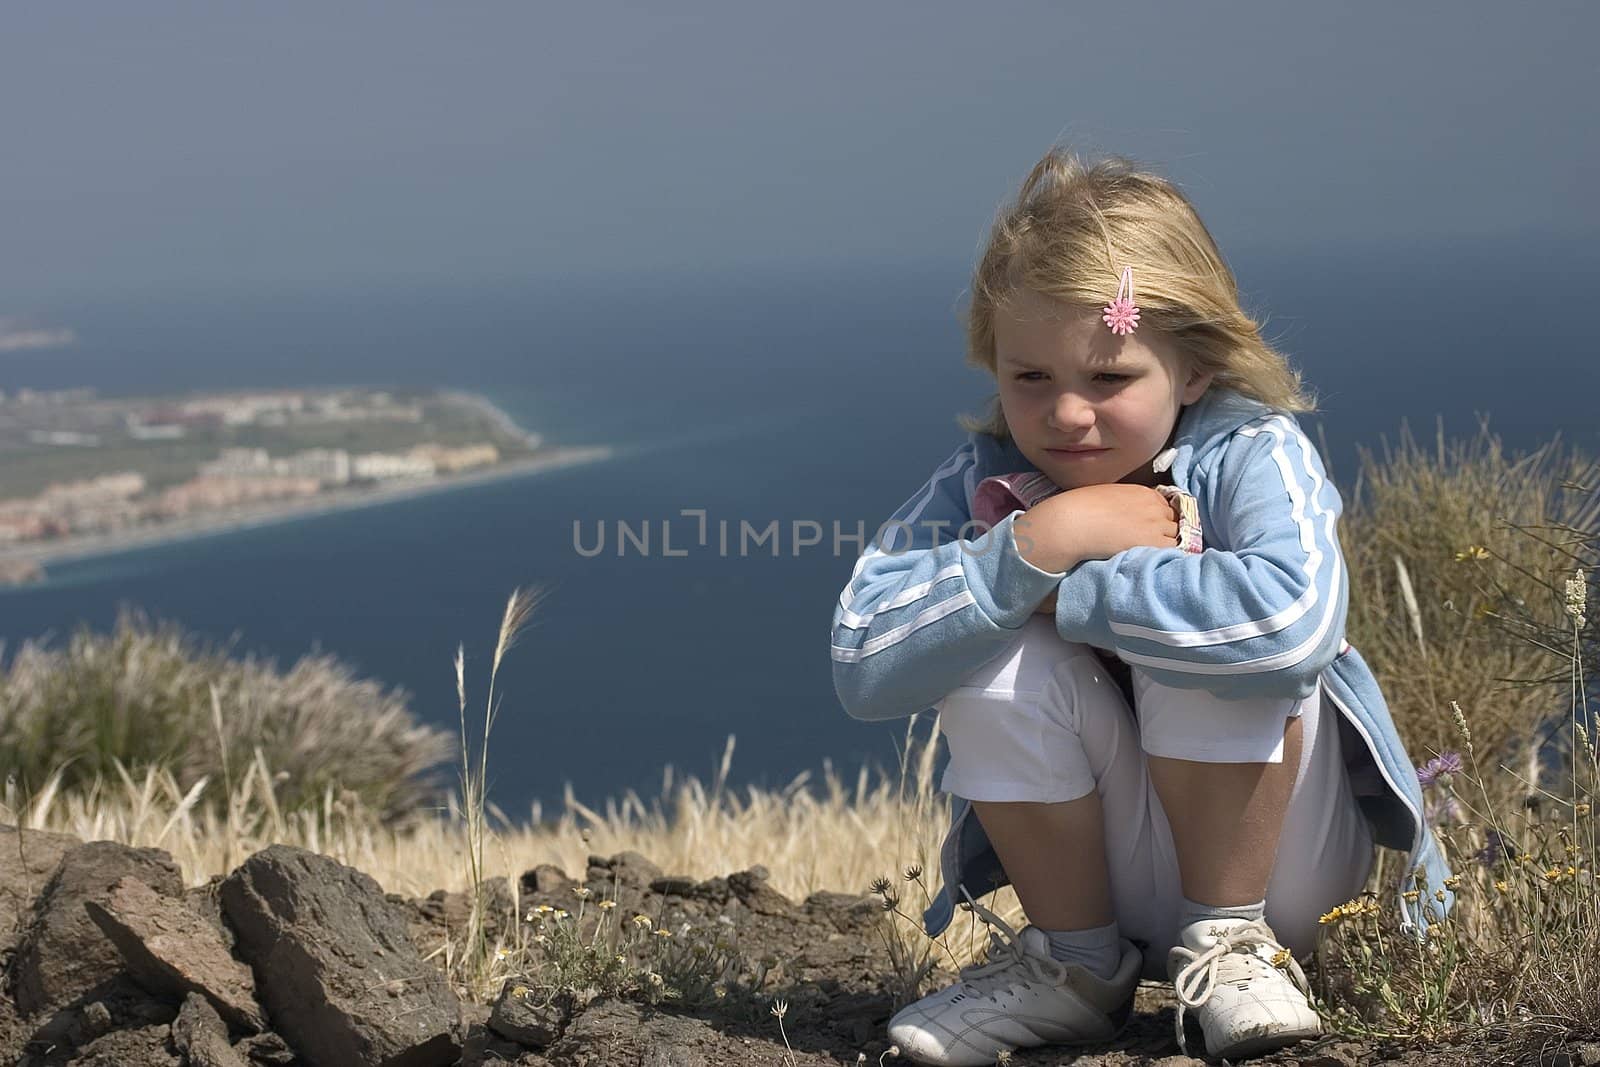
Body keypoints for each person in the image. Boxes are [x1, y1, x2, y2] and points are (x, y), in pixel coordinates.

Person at [829, 147, 1453, 1065]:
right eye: (1029, 377)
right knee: (994, 661)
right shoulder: (982, 476)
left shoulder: (1255, 451)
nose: (1065, 414)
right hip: (1105, 883)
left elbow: (1290, 630)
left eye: (1109, 378)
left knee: (1211, 642)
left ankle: (1232, 948)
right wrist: (1041, 541)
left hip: (1284, 875)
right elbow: (863, 659)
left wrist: (1068, 593)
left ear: (1194, 368)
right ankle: (1074, 973)